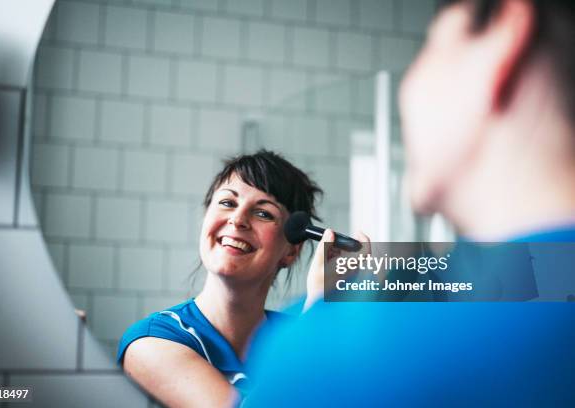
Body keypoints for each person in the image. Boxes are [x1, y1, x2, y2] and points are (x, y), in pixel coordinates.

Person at [244, 0, 575, 406]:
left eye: (430, 47)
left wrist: (320, 314)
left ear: (503, 39)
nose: (408, 86)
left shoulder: (328, 355)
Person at [117, 150, 366, 407]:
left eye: (264, 213)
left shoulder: (295, 334)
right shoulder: (151, 343)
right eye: (227, 203)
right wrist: (318, 309)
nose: (237, 220)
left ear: (292, 250)